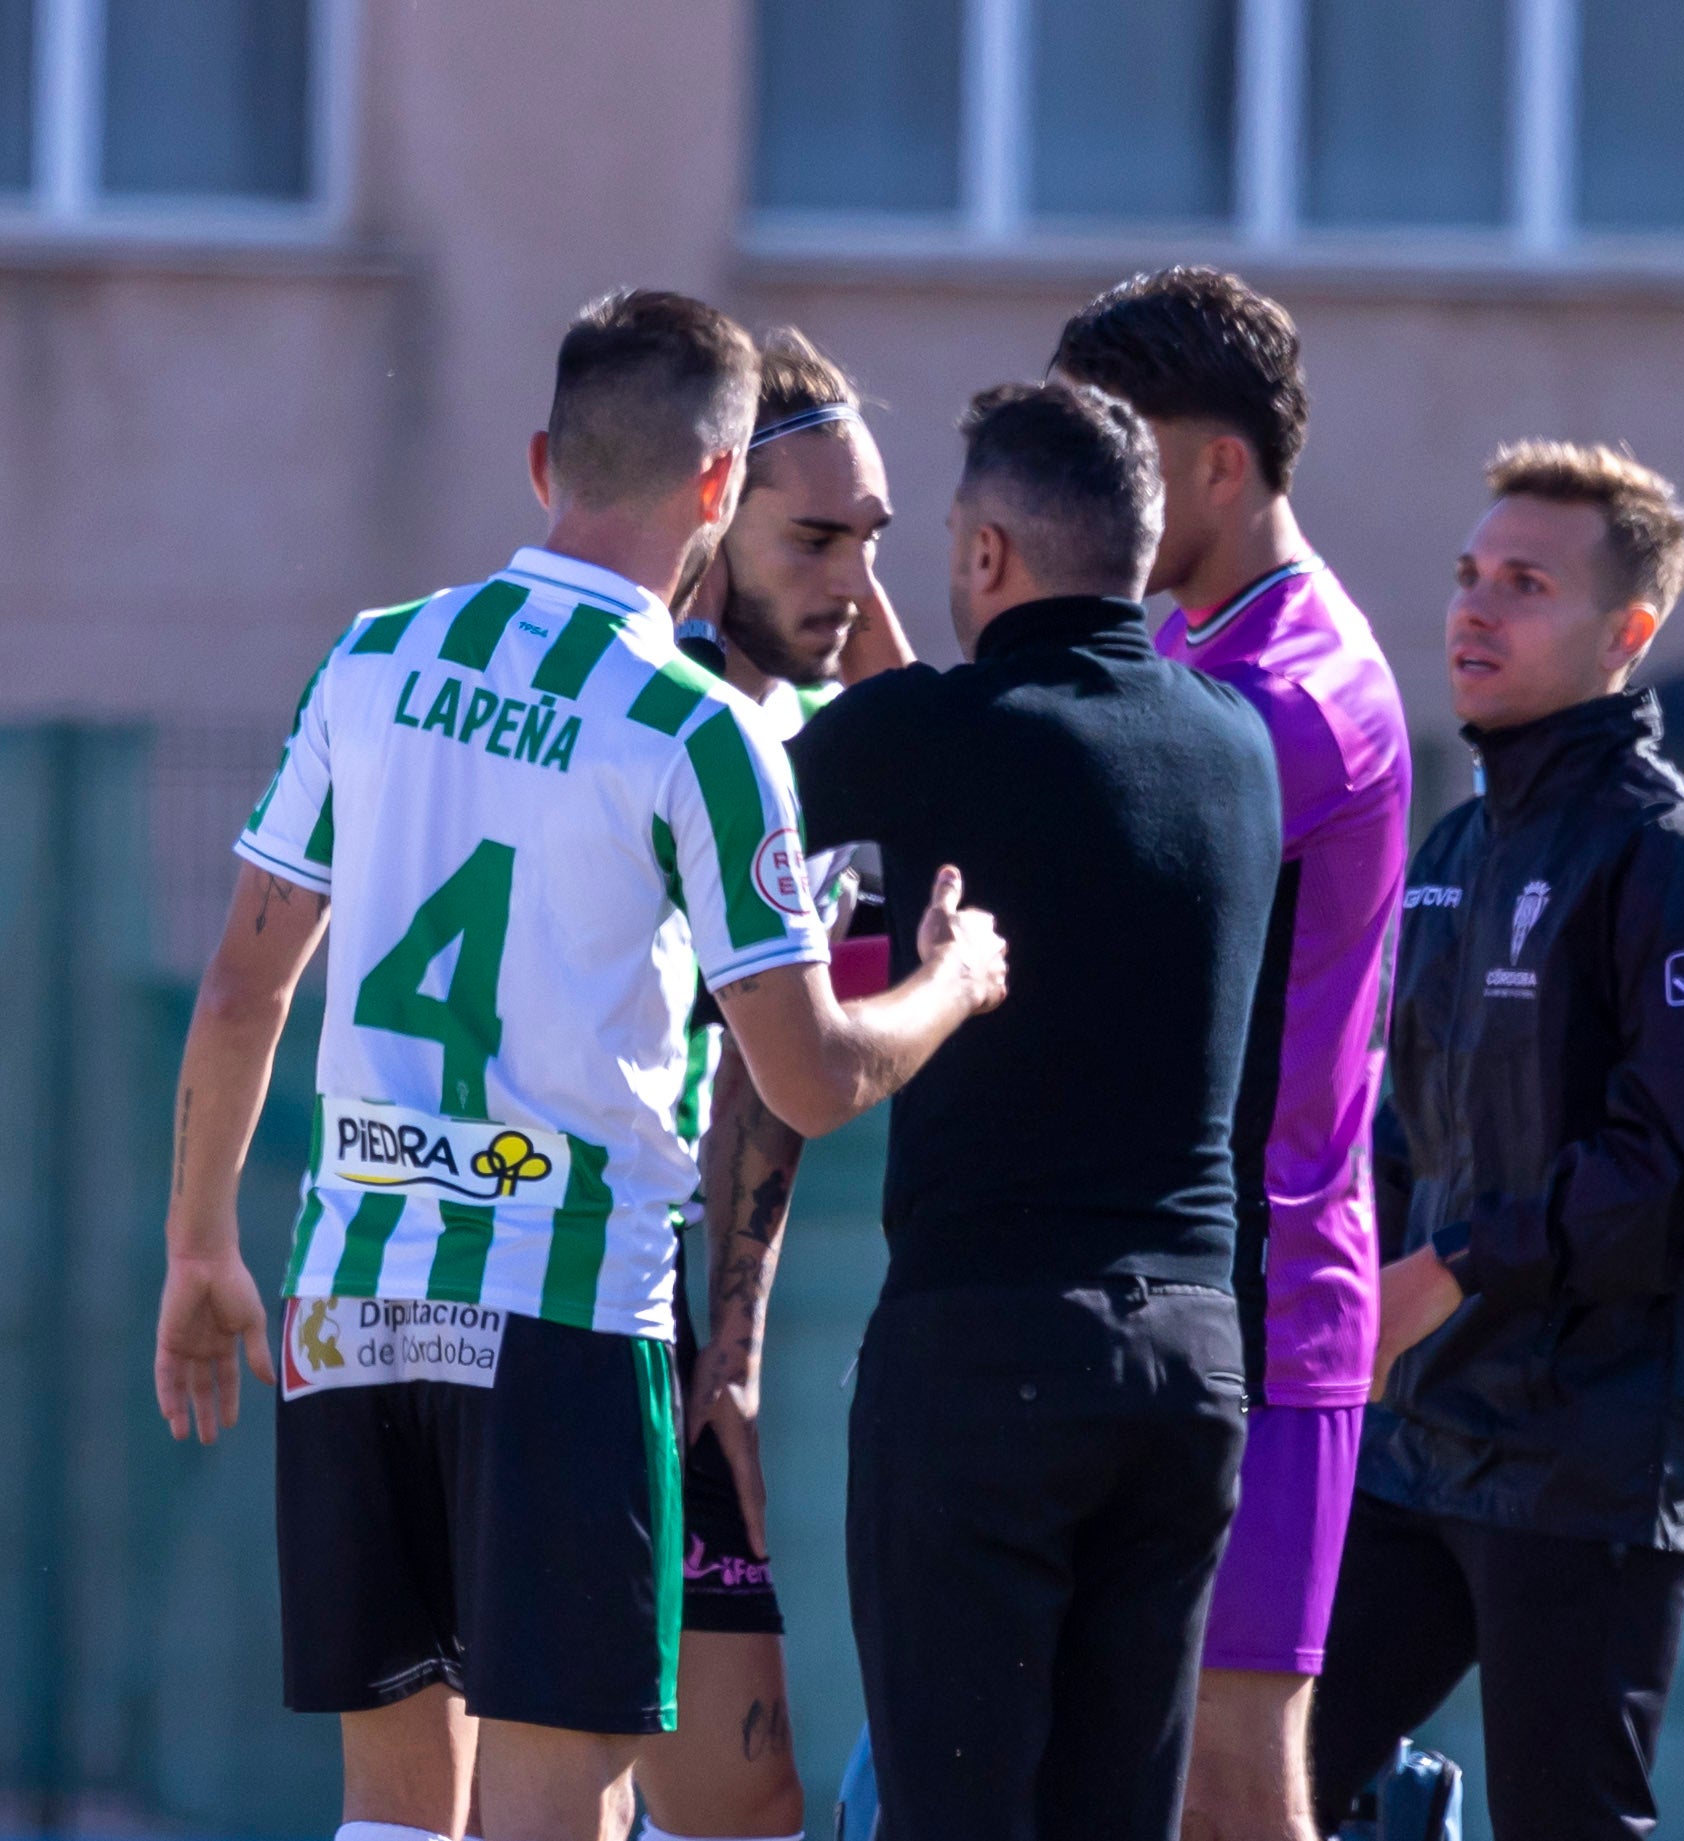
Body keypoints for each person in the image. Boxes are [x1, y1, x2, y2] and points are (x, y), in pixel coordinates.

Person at [151, 290, 1007, 1841]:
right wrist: (953, 983)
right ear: (716, 490)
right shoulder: (689, 726)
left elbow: (238, 989)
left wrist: (202, 1245)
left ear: (543, 457)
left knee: (399, 1816)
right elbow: (809, 1076)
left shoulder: (370, 655)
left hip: (350, 1304)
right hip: (560, 1312)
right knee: (560, 1813)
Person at [785, 379, 1283, 1841]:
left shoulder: (922, 740)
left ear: (987, 555)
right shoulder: (1236, 746)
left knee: (953, 1813)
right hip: (1190, 1356)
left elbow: (808, 781)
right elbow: (976, 743)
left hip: (989, 1342)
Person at [1308, 443, 1684, 1841]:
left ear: (1624, 634)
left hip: (1589, 1457)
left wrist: (1447, 1268)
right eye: (1469, 576)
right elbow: (1404, 1134)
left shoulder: (1678, 864)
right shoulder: (1453, 852)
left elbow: (1673, 1179)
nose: (1474, 609)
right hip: (1421, 1435)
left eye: (1524, 584)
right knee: (1247, 1776)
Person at [1052, 267, 1412, 1841]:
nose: (1096, 491)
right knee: (1119, 1749)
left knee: (1230, 1767)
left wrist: (907, 705)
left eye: (1120, 446)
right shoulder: (1191, 647)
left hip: (1267, 1292)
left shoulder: (1304, 684)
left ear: (1218, 465)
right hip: (1159, 1277)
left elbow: (1089, 838)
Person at [633, 327, 912, 1841]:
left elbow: (778, 1085)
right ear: (710, 503)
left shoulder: (818, 741)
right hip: (566, 1272)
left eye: (870, 542)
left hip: (678, 1296)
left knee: (724, 1794)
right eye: (810, 537)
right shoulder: (649, 710)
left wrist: (729, 1342)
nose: (850, 583)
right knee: (619, 1778)